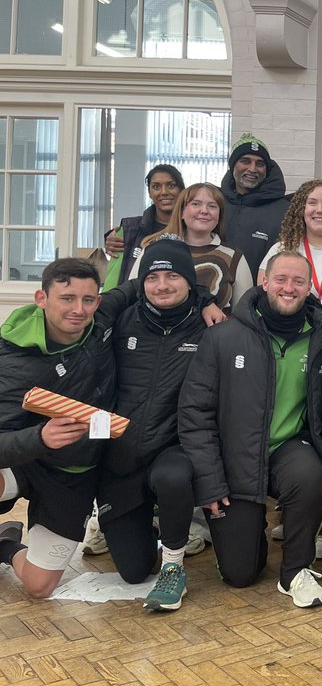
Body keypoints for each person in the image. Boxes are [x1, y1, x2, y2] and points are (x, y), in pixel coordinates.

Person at [177, 251, 322, 608]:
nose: (289, 288)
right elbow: (194, 413)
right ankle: (250, 540)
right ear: (264, 281)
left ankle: (296, 570)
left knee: (309, 474)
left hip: (288, 449)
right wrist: (210, 479)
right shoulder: (223, 337)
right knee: (240, 575)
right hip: (236, 460)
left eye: (298, 281)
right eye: (281, 279)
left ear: (310, 287)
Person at [0, 259, 135, 598]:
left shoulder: (101, 320)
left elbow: (136, 285)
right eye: (66, 298)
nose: (78, 309)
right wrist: (40, 437)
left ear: (98, 302)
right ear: (41, 298)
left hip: (75, 473)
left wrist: (204, 300)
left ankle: (4, 544)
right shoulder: (13, 361)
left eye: (88, 300)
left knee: (39, 587)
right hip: (27, 460)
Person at [100, 237, 209, 612]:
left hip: (172, 447)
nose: (162, 285)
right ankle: (140, 533)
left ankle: (174, 565)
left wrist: (207, 300)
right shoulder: (120, 320)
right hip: (122, 456)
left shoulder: (209, 327)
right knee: (132, 571)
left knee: (173, 477)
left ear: (190, 282)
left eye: (173, 276)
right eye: (153, 277)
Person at [131, 182, 254, 313]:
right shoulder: (153, 250)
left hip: (216, 332)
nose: (204, 211)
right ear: (182, 212)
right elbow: (131, 296)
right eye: (196, 204)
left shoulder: (233, 257)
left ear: (220, 215)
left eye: (212, 206)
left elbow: (244, 313)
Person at [102, 164, 185, 290]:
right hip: (133, 304)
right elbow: (114, 277)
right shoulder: (130, 229)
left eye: (171, 185)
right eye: (156, 187)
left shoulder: (192, 229)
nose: (164, 192)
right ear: (150, 193)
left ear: (182, 191)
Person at [220, 133, 290, 275]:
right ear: (233, 165)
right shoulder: (215, 202)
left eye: (260, 164)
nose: (252, 169)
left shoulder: (284, 211)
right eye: (245, 161)